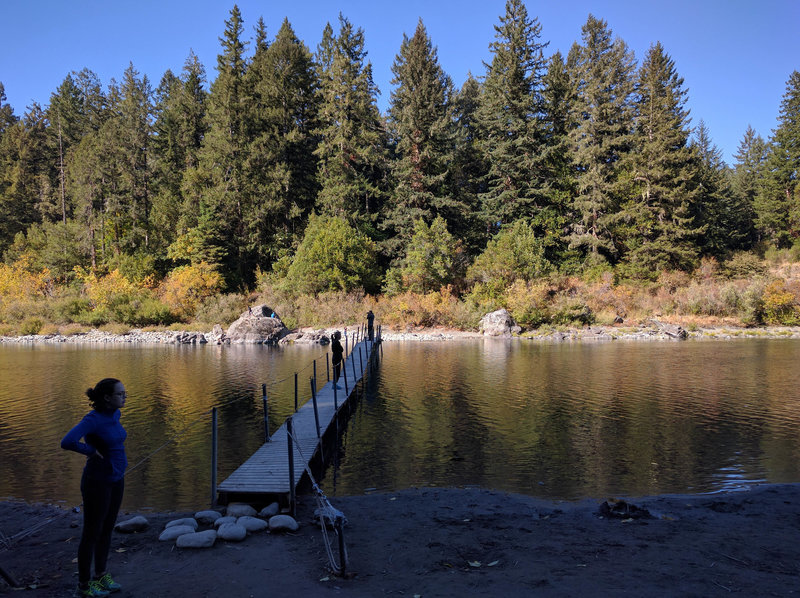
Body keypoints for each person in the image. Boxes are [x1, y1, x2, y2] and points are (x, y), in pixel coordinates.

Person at [61, 378, 128, 597]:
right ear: (107, 397)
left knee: (107, 529)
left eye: (124, 393)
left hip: (116, 479)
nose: (124, 397)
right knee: (91, 532)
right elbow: (68, 441)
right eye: (120, 394)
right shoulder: (93, 419)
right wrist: (89, 451)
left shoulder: (115, 414)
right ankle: (83, 585)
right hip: (97, 481)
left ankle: (101, 576)